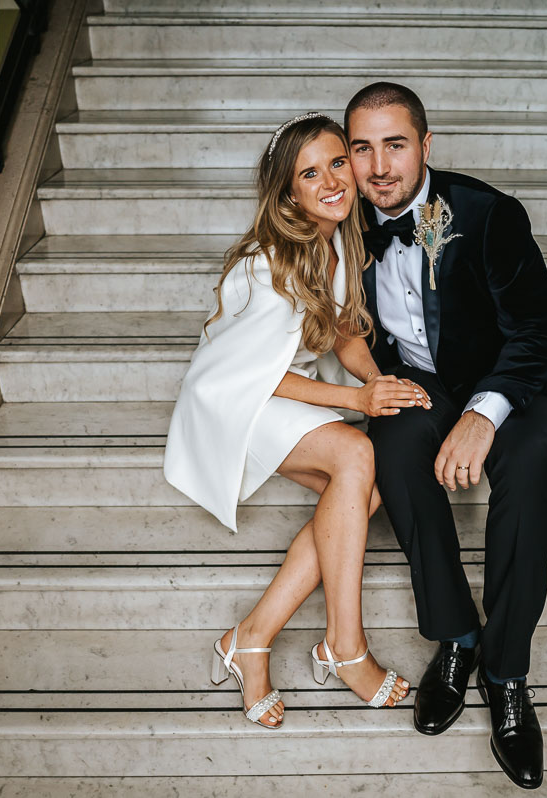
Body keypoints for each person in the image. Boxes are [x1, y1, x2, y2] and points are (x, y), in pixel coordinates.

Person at [345, 83, 547, 789]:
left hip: (512, 374)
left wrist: (483, 415)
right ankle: (457, 637)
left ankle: (507, 672)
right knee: (393, 448)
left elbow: (538, 333)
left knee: (528, 459)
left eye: (396, 145)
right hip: (422, 379)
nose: (379, 166)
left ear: (426, 146)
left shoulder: (488, 215)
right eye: (362, 148)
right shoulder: (343, 221)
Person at [163, 113, 413, 728]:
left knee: (364, 483)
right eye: (310, 174)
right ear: (287, 193)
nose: (331, 181)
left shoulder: (338, 238)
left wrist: (376, 382)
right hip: (232, 400)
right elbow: (258, 375)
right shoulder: (266, 263)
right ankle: (345, 646)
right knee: (356, 456)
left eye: (337, 163)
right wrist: (358, 404)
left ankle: (250, 637)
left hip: (276, 390)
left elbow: (346, 331)